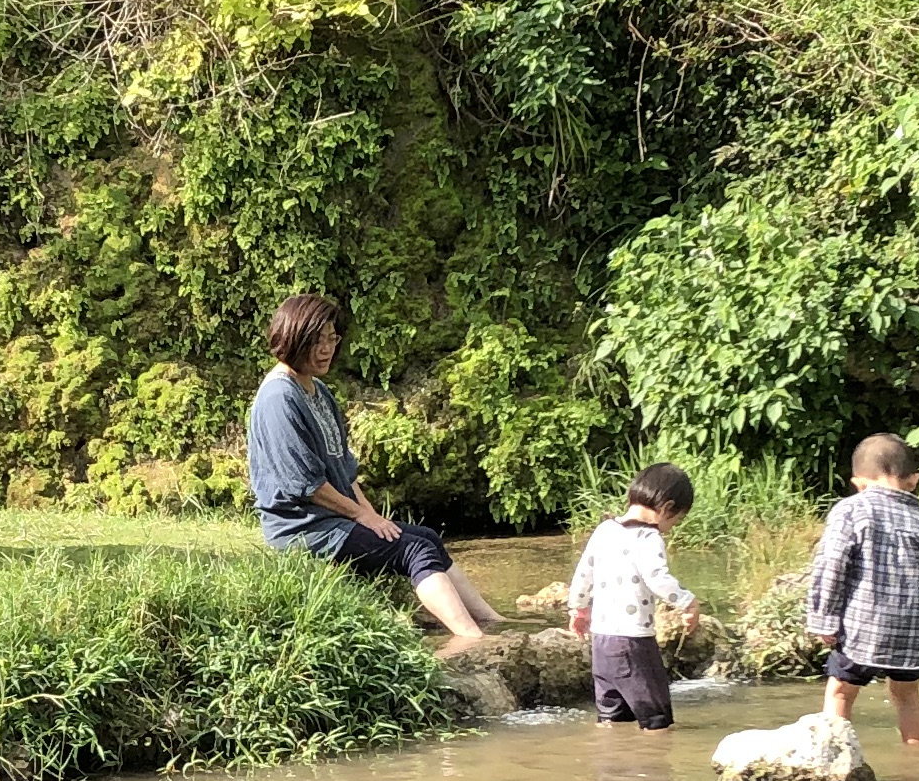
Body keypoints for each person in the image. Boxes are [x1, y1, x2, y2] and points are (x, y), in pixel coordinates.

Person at [244, 292, 505, 638]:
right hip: (304, 531)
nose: (326, 349)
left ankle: (495, 622)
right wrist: (360, 516)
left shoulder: (318, 390)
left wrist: (371, 514)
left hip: (337, 518)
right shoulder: (279, 397)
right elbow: (304, 484)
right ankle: (471, 638)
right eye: (316, 340)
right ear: (292, 337)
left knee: (425, 536)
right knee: (413, 548)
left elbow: (344, 469)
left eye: (331, 338)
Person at [805, 432, 919, 748]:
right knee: (907, 696)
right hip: (915, 631)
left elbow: (831, 566)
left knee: (841, 690)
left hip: (865, 628)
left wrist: (824, 620)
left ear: (859, 482)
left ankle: (835, 756)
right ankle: (914, 768)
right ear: (912, 481)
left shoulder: (850, 510)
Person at [568, 463, 704, 730]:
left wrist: (578, 610)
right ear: (666, 508)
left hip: (602, 644)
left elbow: (583, 574)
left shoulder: (605, 530)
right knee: (657, 721)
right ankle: (653, 766)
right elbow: (657, 579)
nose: (671, 528)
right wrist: (688, 601)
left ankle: (610, 767)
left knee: (611, 719)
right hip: (634, 644)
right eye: (675, 520)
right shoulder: (648, 537)